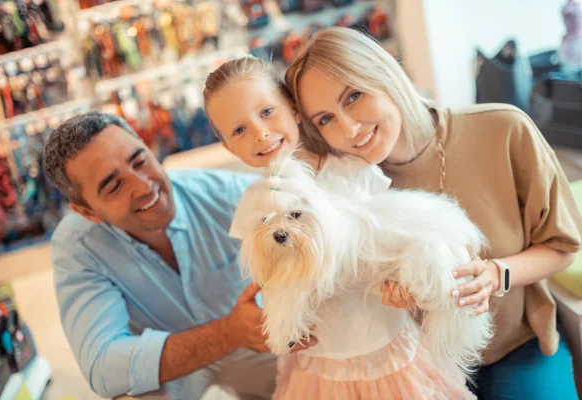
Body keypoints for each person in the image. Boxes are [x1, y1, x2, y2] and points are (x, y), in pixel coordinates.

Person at [285, 26, 582, 399]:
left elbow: (563, 245)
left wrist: (496, 274)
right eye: (325, 119)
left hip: (518, 348)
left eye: (354, 96)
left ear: (385, 74)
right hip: (417, 366)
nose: (349, 127)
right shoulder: (347, 191)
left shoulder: (503, 128)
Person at [202, 56, 484, 399]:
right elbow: (271, 278)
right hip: (318, 367)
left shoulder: (354, 172)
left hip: (388, 353)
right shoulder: (253, 204)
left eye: (266, 112)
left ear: (293, 108)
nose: (260, 133)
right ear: (228, 146)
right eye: (239, 130)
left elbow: (396, 236)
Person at [42, 111, 315, 399]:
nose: (144, 186)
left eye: (140, 161)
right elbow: (103, 366)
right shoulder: (77, 247)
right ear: (88, 212)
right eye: (114, 186)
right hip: (176, 370)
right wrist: (229, 332)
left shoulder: (226, 195)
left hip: (256, 346)